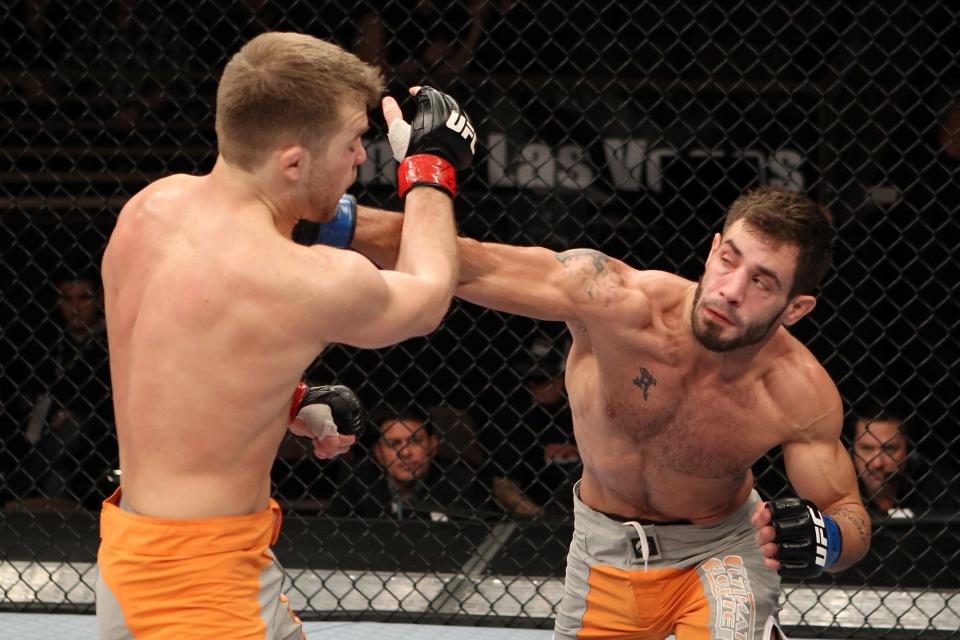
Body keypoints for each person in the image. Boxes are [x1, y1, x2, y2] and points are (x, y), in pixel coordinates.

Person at [349, 186, 870, 639]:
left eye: (762, 282)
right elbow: (467, 260)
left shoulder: (798, 391)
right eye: (729, 260)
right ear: (712, 251)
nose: (730, 291)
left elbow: (848, 511)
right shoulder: (616, 302)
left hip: (722, 549)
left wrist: (829, 538)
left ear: (796, 308)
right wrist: (322, 219)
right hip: (603, 547)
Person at [96, 31, 475, 639]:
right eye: (354, 141)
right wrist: (431, 167)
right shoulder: (300, 278)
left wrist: (285, 398)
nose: (360, 157)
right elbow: (428, 296)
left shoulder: (150, 208)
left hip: (142, 554)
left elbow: (172, 353)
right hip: (200, 597)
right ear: (293, 161)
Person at [10, 272, 114, 510]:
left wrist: (71, 410)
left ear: (98, 299)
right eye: (68, 299)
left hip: (98, 430)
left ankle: (13, 488)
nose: (75, 307)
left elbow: (104, 395)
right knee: (58, 473)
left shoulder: (109, 340)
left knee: (74, 427)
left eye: (83, 298)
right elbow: (36, 385)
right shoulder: (52, 340)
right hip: (52, 436)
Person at [328, 408, 493, 520]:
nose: (405, 453)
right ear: (379, 453)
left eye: (415, 441)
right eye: (393, 443)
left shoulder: (462, 482)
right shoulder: (358, 480)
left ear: (433, 445)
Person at [848, 404, 960, 519]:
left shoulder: (943, 489)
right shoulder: (837, 492)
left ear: (908, 449)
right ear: (852, 451)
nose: (877, 463)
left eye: (889, 449)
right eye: (867, 448)